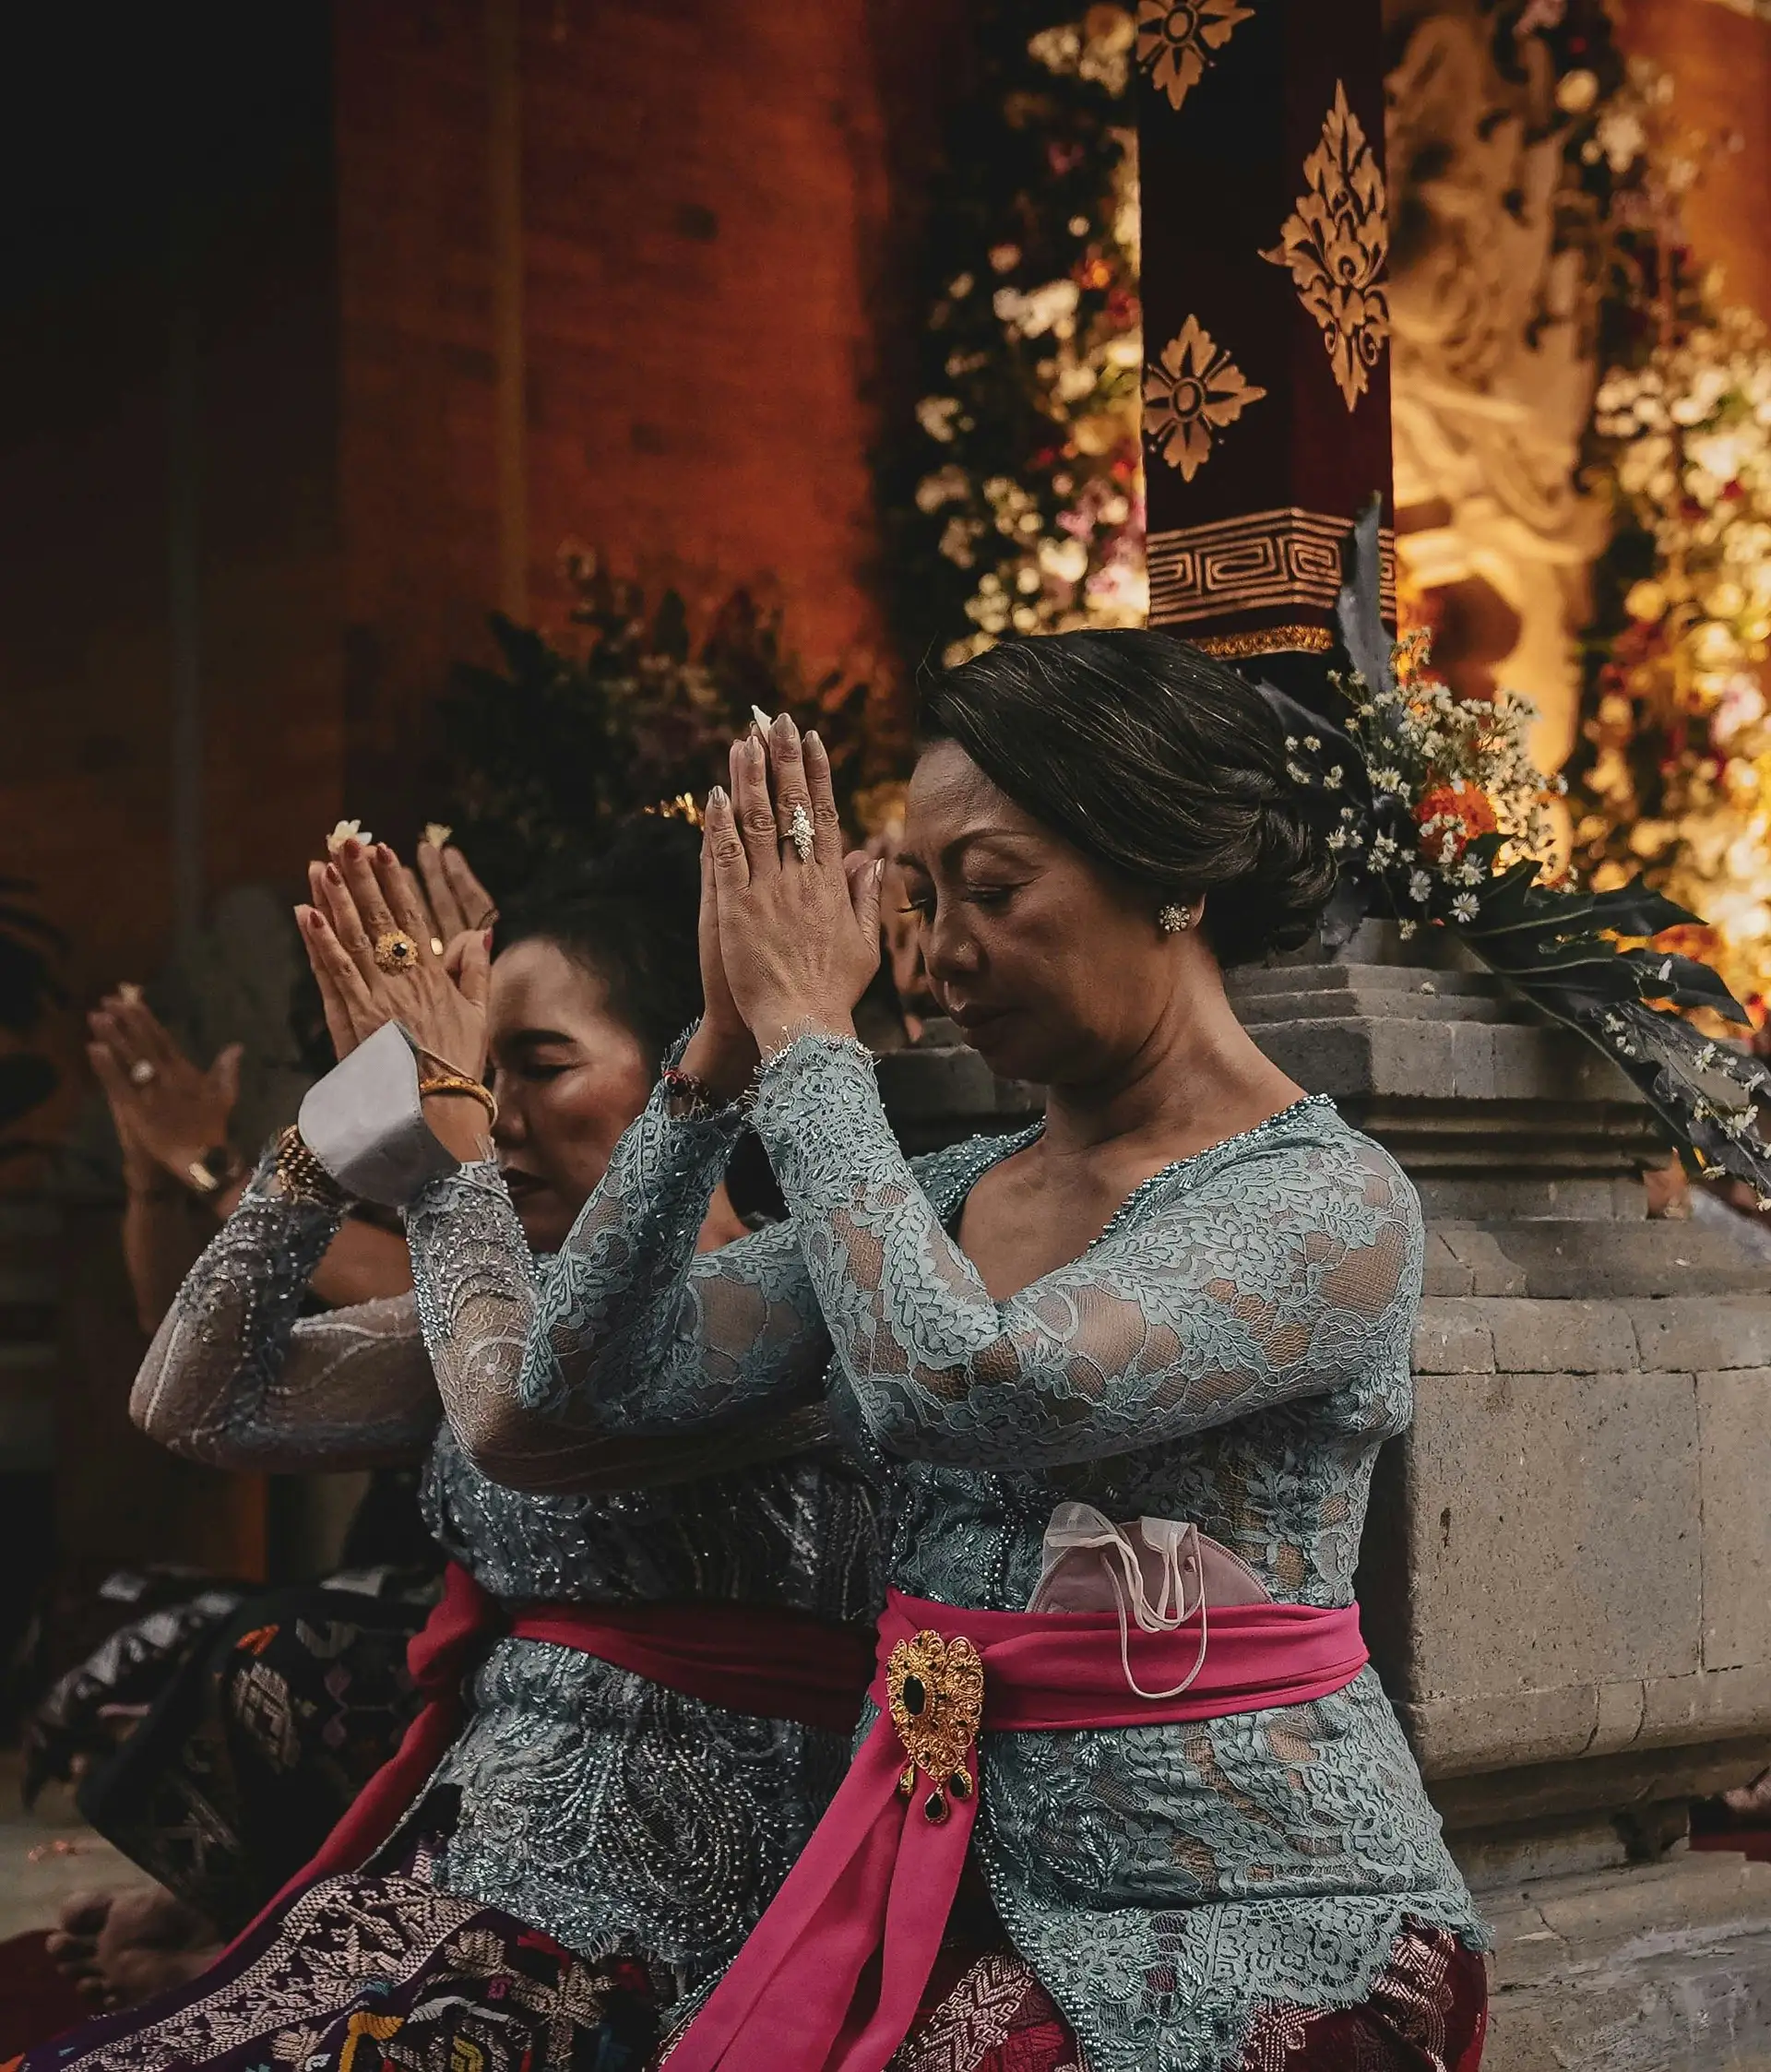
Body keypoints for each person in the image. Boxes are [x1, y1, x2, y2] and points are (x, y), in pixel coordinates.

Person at [436, 641, 1491, 2072]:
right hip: (925, 1879)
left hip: (1266, 1926)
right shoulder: (935, 1198)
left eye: (991, 891)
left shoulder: (1327, 1200)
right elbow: (575, 1393)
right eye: (918, 901)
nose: (934, 956)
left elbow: (973, 1383)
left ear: (1170, 872)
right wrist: (716, 1061)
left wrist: (817, 1041)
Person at [18, 817, 882, 2072]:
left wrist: (444, 1146)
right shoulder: (497, 1305)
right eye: (478, 1073)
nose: (496, 1110)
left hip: (654, 1911)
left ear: (690, 1066)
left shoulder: (778, 1292)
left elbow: (520, 1412)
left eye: (536, 1062)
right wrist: (325, 1144)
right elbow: (191, 1404)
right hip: (456, 1858)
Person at [39, 840, 497, 2010]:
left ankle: (246, 1922)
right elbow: (180, 1360)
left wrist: (228, 1168)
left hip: (538, 1673)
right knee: (128, 1613)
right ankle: (230, 1910)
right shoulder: (447, 1163)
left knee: (283, 1643)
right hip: (427, 1579)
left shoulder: (560, 1212)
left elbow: (468, 1311)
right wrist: (171, 1173)